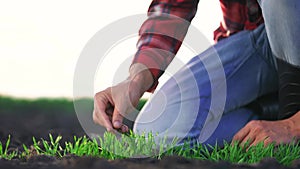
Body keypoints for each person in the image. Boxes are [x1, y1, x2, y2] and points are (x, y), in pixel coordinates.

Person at [93, 0, 300, 148]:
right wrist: (135, 80)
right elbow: (172, 6)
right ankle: (268, 109)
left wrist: (293, 126)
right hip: (261, 43)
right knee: (156, 133)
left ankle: (290, 118)